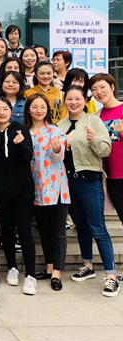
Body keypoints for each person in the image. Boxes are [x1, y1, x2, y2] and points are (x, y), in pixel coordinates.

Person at [58, 85, 118, 296]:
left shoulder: (94, 121)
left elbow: (106, 150)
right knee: (81, 225)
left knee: (97, 227)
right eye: (70, 99)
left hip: (90, 179)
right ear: (65, 101)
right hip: (68, 181)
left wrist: (93, 139)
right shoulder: (61, 124)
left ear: (85, 100)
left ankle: (111, 276)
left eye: (78, 99)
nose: (73, 102)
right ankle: (88, 265)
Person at [0, 97, 37, 295]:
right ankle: (12, 268)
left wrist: (20, 144)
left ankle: (31, 275)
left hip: (23, 191)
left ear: (11, 111)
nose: (1, 112)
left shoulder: (20, 130)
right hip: (2, 192)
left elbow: (28, 157)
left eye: (5, 109)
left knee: (25, 233)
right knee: (7, 231)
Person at [25, 93, 69, 292]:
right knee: (43, 230)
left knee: (58, 232)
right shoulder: (24, 132)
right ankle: (49, 267)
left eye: (42, 107)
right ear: (28, 109)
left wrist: (58, 149)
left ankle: (57, 273)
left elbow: (58, 157)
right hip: (35, 189)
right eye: (35, 106)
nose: (39, 110)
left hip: (56, 188)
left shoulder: (54, 130)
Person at [90, 73, 123, 222]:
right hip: (112, 177)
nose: (99, 92)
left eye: (102, 87)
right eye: (94, 89)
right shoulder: (96, 117)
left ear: (112, 87)